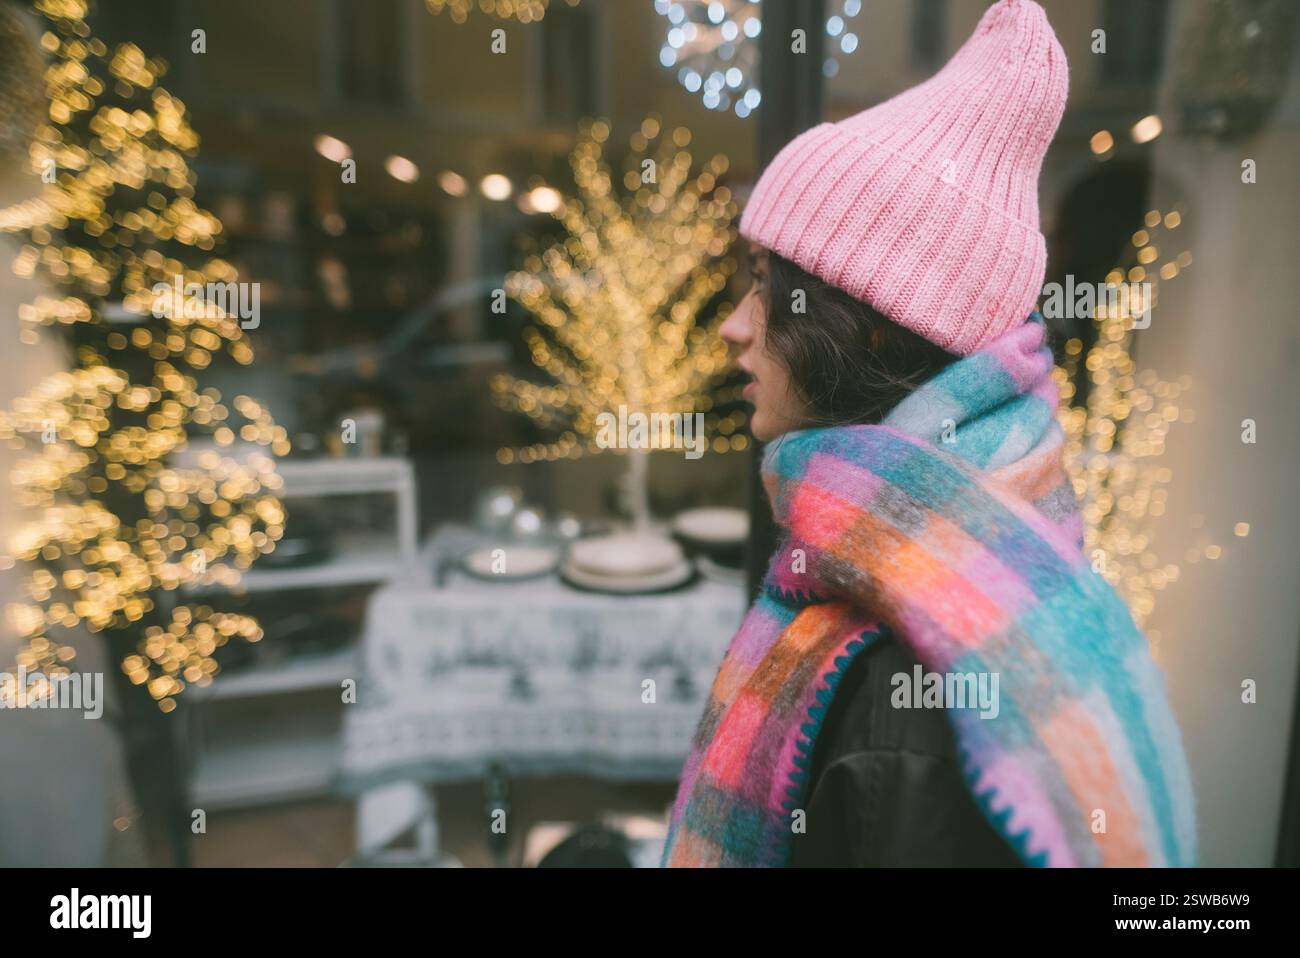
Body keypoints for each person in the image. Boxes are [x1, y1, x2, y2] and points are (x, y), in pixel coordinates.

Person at [660, 0, 1197, 868]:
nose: (735, 324)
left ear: (871, 329)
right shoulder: (979, 554)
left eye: (768, 287)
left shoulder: (901, 692)